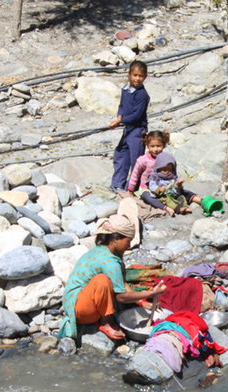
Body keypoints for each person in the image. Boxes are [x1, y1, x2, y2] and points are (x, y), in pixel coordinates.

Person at [58, 214, 166, 340]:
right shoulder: (110, 262)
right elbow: (121, 297)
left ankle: (101, 313)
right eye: (128, 241)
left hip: (75, 301)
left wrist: (141, 302)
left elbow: (122, 283)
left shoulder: (105, 251)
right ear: (115, 239)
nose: (129, 246)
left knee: (104, 281)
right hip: (79, 310)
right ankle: (106, 321)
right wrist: (150, 293)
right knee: (102, 280)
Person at [109, 61, 150, 192]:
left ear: (145, 77)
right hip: (128, 129)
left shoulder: (142, 95)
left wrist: (120, 121)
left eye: (140, 76)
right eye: (135, 75)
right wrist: (119, 116)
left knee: (136, 160)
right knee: (121, 154)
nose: (137, 79)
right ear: (129, 74)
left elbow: (137, 115)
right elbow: (122, 106)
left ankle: (134, 187)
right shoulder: (126, 90)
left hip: (138, 130)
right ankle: (118, 183)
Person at [126, 130, 170, 195]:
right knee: (147, 197)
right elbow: (135, 175)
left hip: (162, 187)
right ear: (147, 146)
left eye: (158, 146)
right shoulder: (143, 160)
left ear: (163, 145)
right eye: (152, 146)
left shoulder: (166, 159)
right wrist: (131, 189)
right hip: (146, 189)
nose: (155, 149)